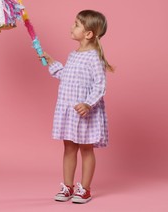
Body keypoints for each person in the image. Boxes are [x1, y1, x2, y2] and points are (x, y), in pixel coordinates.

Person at [41, 10, 114, 204]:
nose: (71, 27)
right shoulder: (73, 55)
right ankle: (67, 186)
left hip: (85, 113)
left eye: (76, 24)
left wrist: (88, 104)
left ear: (88, 34)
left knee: (86, 149)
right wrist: (52, 63)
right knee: (69, 148)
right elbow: (67, 77)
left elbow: (100, 85)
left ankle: (85, 189)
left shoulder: (93, 58)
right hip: (69, 111)